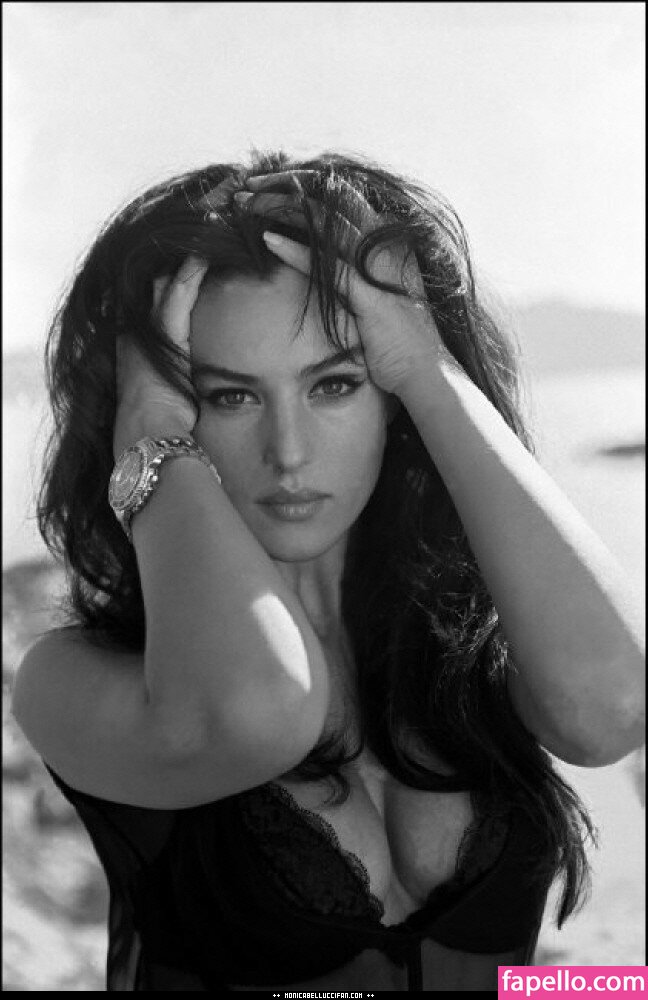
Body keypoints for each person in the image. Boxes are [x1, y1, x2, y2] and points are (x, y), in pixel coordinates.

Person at [11, 150, 644, 992]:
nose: (290, 452)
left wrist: (426, 367)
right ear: (155, 410)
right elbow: (260, 709)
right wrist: (149, 440)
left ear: (388, 402)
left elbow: (611, 709)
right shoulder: (72, 680)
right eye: (230, 396)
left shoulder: (470, 656)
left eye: (335, 384)